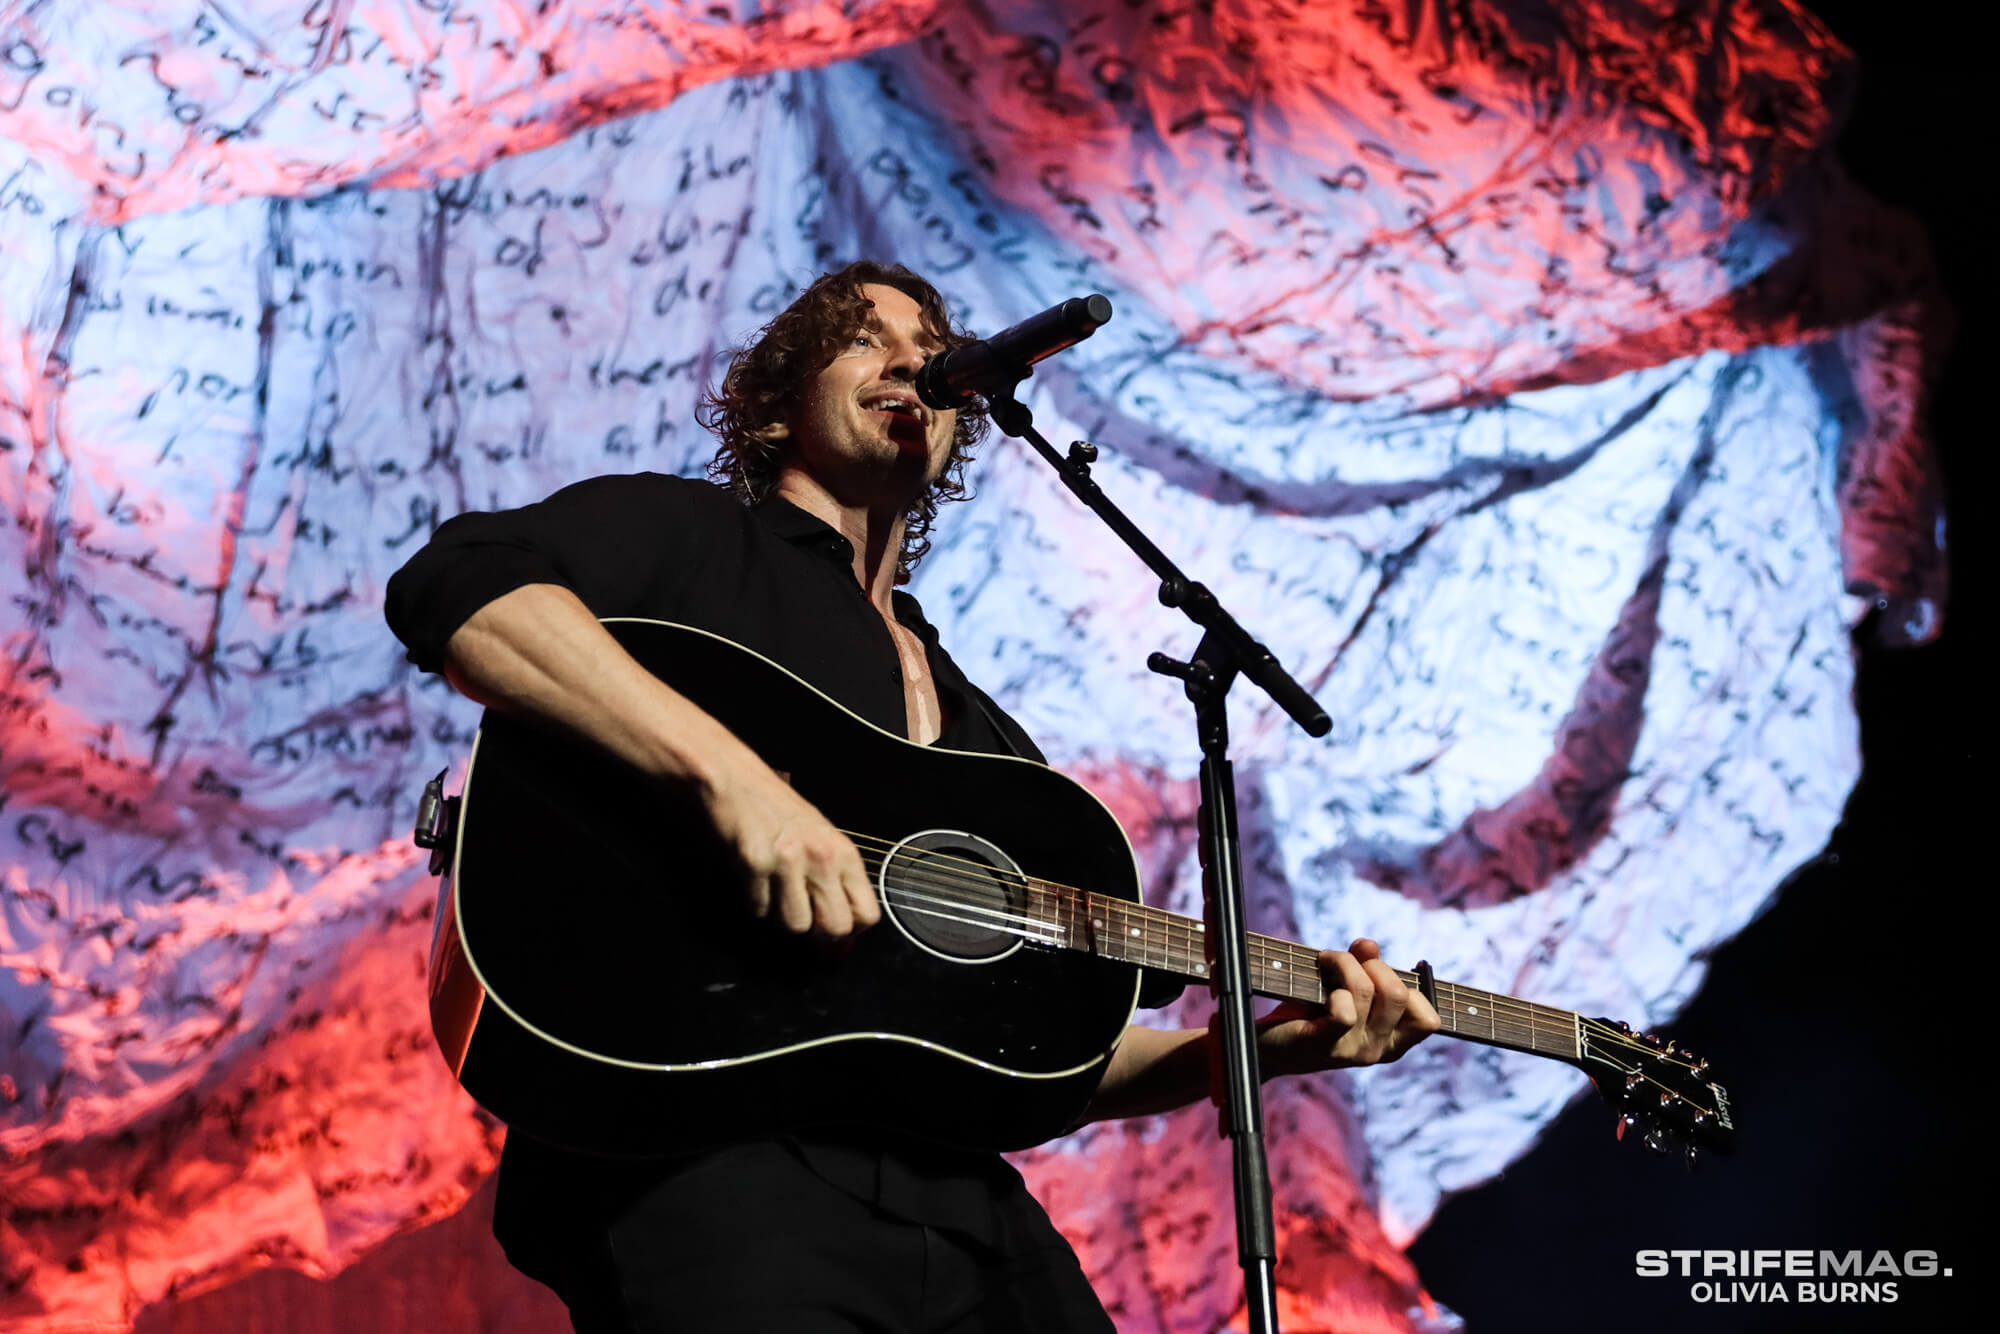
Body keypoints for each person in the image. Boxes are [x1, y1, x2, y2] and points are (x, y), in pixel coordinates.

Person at [384, 260, 1440, 1333]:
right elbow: (458, 590)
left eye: (931, 346)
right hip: (710, 1161)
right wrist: (735, 781)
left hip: (960, 1206)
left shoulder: (983, 741)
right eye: (861, 338)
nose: (910, 360)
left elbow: (1042, 1052)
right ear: (770, 402)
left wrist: (1252, 1054)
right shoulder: (691, 540)